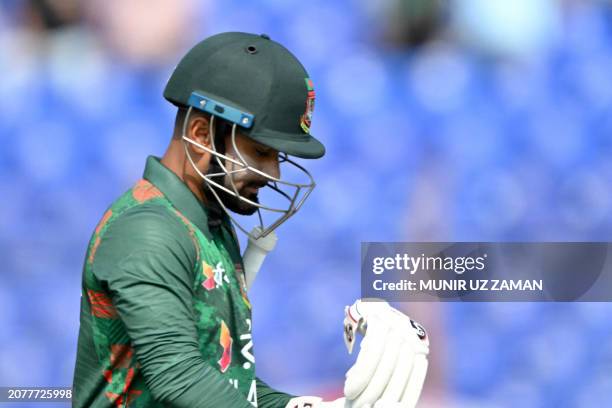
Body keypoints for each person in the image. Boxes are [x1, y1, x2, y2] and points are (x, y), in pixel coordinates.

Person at [73, 32, 429, 408]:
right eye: (261, 151)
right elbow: (178, 377)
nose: (273, 172)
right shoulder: (147, 231)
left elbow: (230, 381)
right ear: (200, 134)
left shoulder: (208, 224)